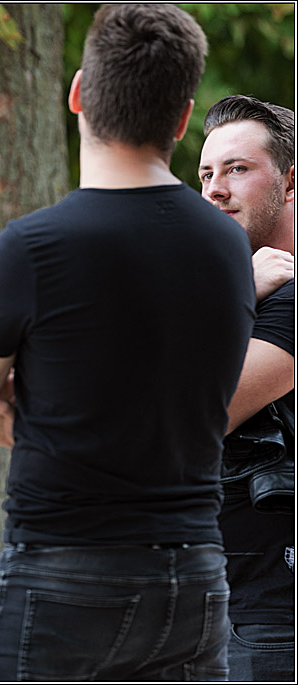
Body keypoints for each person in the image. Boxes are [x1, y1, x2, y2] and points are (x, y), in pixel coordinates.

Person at [0, 4, 256, 681]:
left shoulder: (35, 246)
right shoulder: (227, 244)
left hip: (66, 570)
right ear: (182, 118)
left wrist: (35, 414)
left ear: (78, 92)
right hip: (195, 578)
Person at [199, 94, 295, 682]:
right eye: (206, 173)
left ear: (290, 182)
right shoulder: (245, 293)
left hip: (271, 623)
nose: (215, 189)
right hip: (222, 607)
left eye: (236, 169)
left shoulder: (289, 302)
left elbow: (184, 415)